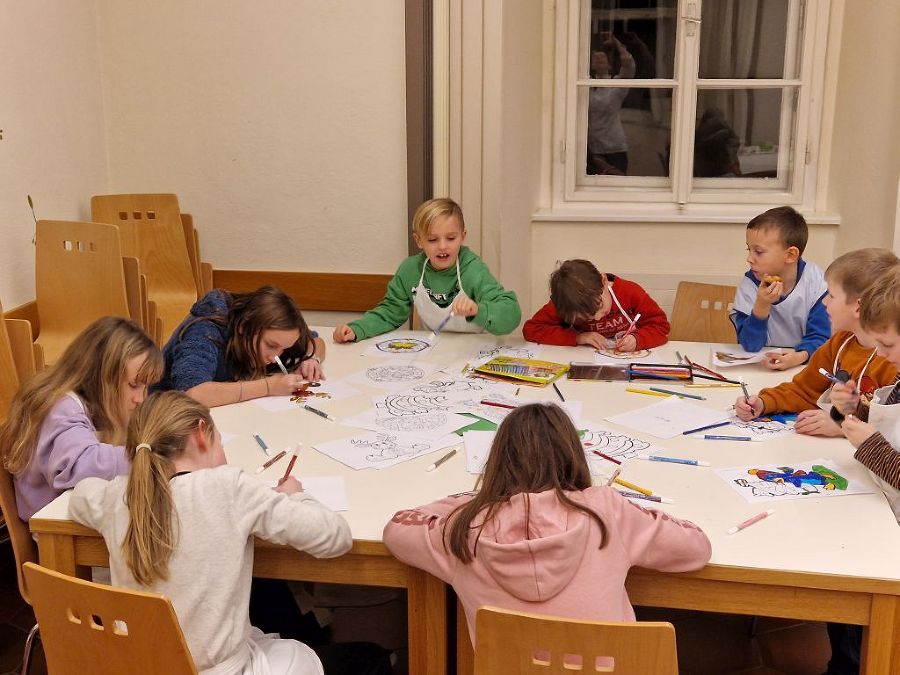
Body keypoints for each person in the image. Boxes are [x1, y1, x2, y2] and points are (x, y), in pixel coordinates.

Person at [69, 391, 353, 675]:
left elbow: (81, 494)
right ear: (201, 432)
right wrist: (294, 497)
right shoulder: (229, 488)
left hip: (140, 666)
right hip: (222, 669)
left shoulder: (117, 497)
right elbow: (336, 537)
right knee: (353, 657)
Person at [383, 403, 711, 646]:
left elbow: (397, 529)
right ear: (573, 457)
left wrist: (474, 500)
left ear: (498, 462)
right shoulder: (606, 511)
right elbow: (696, 547)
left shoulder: (464, 528)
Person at [816, 267, 900, 675]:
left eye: (886, 343)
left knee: (869, 627)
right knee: (843, 591)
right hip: (881, 508)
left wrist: (867, 443)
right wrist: (854, 410)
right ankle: (843, 661)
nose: (880, 354)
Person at [0, 316, 162, 521]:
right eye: (133, 385)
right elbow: (82, 465)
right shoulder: (61, 407)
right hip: (57, 537)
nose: (140, 399)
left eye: (145, 387)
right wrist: (151, 457)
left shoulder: (89, 406)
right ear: (100, 378)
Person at [735, 249, 899, 437]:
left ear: (858, 307)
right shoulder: (840, 343)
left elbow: (891, 428)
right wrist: (763, 402)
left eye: (831, 295)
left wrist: (841, 425)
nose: (824, 302)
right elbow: (805, 390)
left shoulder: (892, 360)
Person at [333, 198, 521, 343]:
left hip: (472, 353)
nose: (442, 246)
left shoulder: (473, 270)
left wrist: (478, 310)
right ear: (418, 240)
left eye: (451, 238)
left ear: (463, 237)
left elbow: (511, 315)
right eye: (432, 240)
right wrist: (356, 329)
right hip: (432, 353)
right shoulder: (410, 270)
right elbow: (390, 312)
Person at [157, 285, 325, 408]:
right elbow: (192, 393)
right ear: (244, 326)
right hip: (162, 418)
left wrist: (312, 360)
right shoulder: (207, 329)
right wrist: (268, 387)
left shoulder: (276, 333)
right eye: (271, 345)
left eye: (284, 349)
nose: (275, 356)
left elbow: (317, 342)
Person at [731, 206, 830, 371]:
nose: (749, 259)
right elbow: (750, 345)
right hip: (762, 367)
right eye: (749, 249)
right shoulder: (749, 284)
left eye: (759, 252)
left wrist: (799, 357)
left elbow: (822, 337)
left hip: (804, 366)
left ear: (790, 255)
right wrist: (762, 305)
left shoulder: (816, 282)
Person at [522, 259, 670, 351]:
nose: (598, 318)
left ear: (603, 282)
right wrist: (578, 337)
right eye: (585, 316)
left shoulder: (630, 293)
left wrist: (638, 340)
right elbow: (532, 330)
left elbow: (661, 327)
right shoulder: (566, 303)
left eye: (599, 306)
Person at [587, 33, 636, 175]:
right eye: (595, 57)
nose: (598, 58)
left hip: (614, 148)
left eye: (602, 57)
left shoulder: (616, 85)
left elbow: (628, 64)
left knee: (617, 188)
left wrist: (616, 43)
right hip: (592, 148)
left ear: (609, 64)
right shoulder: (585, 85)